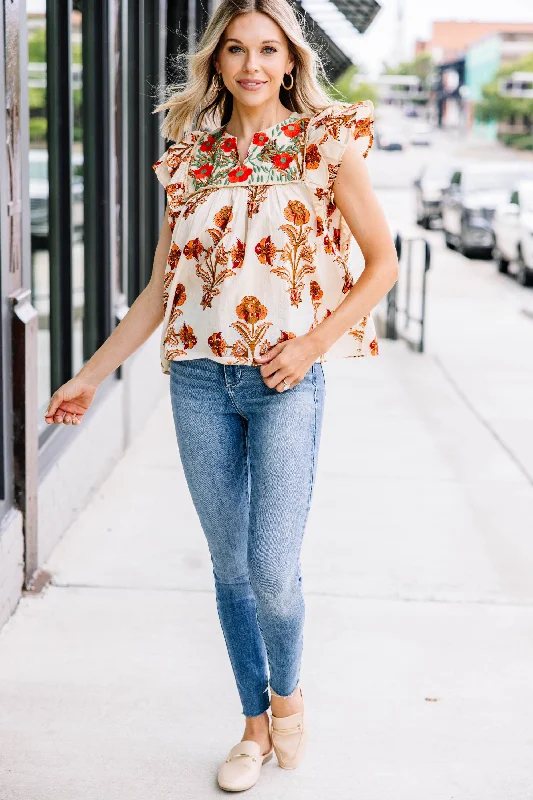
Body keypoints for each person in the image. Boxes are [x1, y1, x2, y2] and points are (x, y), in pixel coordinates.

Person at [44, 0, 398, 791]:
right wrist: (89, 374)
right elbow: (160, 290)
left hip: (284, 383)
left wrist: (309, 344)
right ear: (216, 61)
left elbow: (382, 263)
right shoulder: (189, 156)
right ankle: (250, 729)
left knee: (272, 569)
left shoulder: (324, 144)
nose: (251, 65)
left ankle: (287, 696)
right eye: (235, 50)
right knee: (229, 567)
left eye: (268, 50)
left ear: (291, 61)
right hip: (199, 382)